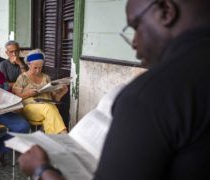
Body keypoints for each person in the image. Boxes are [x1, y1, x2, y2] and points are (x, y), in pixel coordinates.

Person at [18, 0, 210, 179]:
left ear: (166, 12)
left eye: (136, 26)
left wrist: (42, 169)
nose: (134, 42)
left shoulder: (149, 95)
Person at [13, 49, 68, 134]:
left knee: (50, 115)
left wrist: (61, 93)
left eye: (40, 67)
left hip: (48, 109)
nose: (38, 70)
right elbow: (15, 98)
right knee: (50, 109)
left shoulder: (46, 78)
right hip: (29, 108)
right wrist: (28, 94)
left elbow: (54, 99)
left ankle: (52, 143)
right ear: (28, 65)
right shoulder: (22, 78)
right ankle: (64, 135)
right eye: (35, 67)